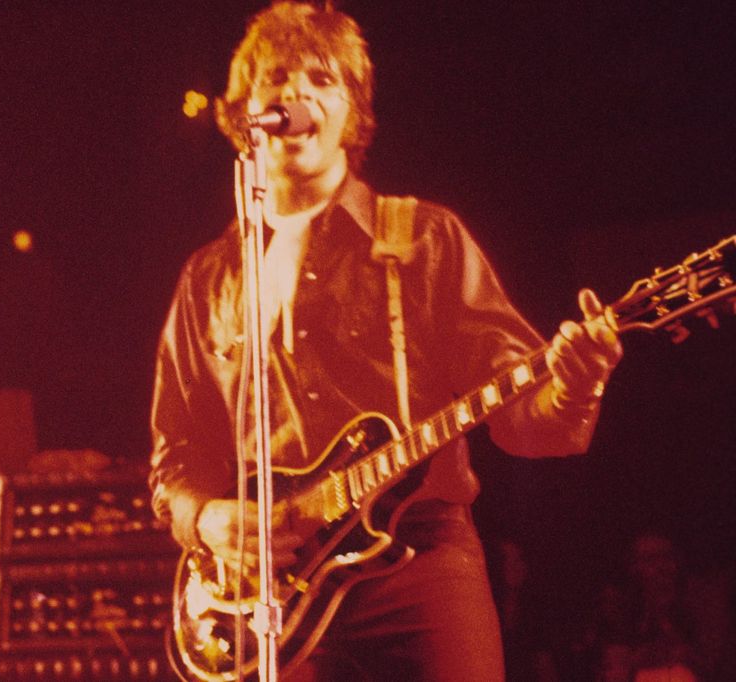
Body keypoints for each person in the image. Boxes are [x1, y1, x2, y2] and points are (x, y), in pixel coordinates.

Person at [148, 2, 623, 680]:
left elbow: (522, 419)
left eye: (322, 79)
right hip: (270, 588)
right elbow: (179, 452)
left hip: (420, 563)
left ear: (352, 117)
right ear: (244, 113)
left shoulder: (424, 239)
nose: (297, 94)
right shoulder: (210, 278)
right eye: (277, 77)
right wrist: (208, 521)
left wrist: (575, 383)